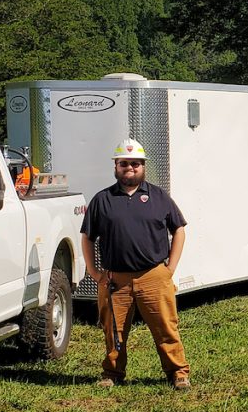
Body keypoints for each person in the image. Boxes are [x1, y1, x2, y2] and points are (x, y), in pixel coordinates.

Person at [80, 138, 191, 390]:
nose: (129, 168)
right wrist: (94, 271)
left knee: (166, 328)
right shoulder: (102, 199)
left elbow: (180, 229)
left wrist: (170, 269)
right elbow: (87, 236)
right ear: (116, 166)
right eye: (124, 163)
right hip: (114, 281)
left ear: (143, 166)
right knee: (113, 332)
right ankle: (112, 373)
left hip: (154, 276)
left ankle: (178, 372)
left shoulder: (159, 196)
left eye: (135, 164)